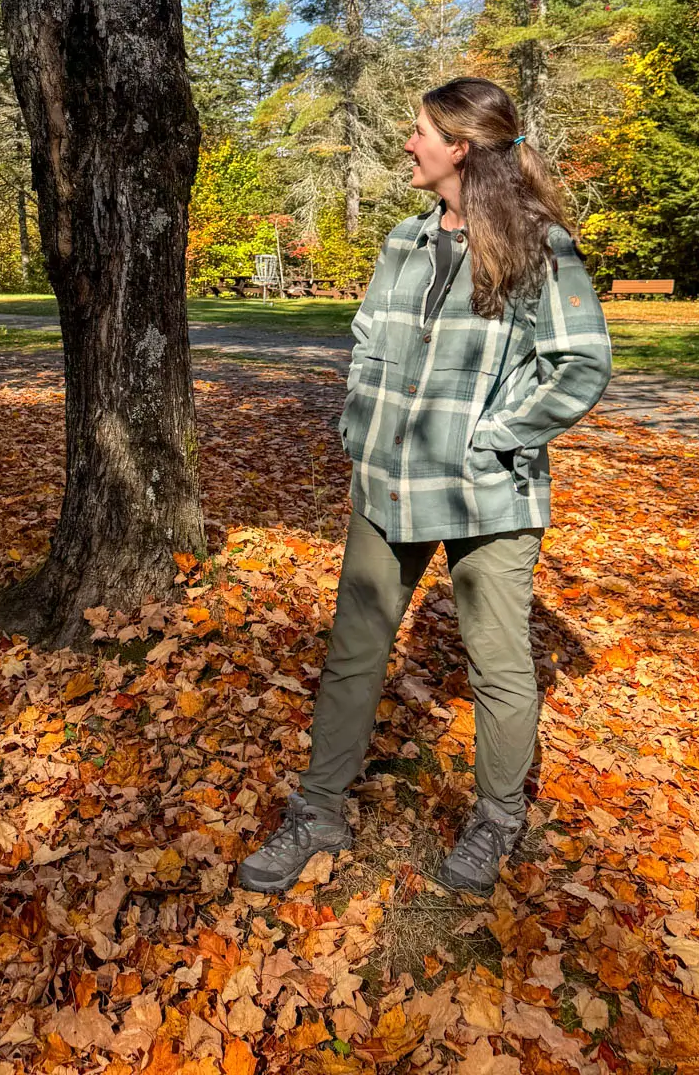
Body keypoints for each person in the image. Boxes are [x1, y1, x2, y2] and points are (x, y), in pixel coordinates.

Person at [237, 77, 612, 898]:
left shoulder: (542, 246)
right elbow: (370, 337)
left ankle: (498, 818)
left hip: (488, 495)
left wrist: (496, 435)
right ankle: (319, 811)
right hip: (388, 486)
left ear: (460, 149)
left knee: (500, 667)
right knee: (353, 656)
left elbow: (581, 362)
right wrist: (355, 428)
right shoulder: (404, 241)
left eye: (418, 133)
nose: (408, 145)